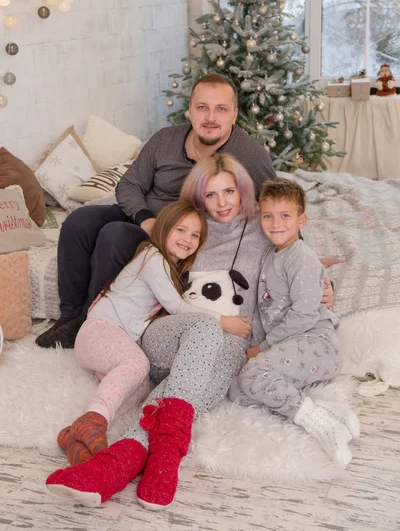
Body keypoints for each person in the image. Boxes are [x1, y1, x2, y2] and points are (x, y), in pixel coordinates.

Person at [45, 155, 334, 510]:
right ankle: (165, 453)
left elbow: (298, 259)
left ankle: (119, 465)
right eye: (211, 195)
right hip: (170, 334)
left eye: (229, 191)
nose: (223, 202)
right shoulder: (188, 231)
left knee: (207, 373)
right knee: (203, 326)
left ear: (243, 192)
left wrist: (324, 283)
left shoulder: (263, 231)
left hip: (229, 343)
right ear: (198, 199)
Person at [36, 73, 276, 349]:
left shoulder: (249, 153)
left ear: (234, 115)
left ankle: (92, 322)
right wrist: (145, 219)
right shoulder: (166, 139)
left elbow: (274, 200)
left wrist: (294, 248)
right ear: (190, 111)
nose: (211, 117)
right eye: (202, 108)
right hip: (144, 216)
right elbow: (128, 185)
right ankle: (69, 317)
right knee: (79, 221)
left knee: (113, 236)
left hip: (175, 233)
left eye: (220, 109)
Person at [57, 200, 242, 466]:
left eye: (195, 235)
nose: (188, 239)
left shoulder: (168, 267)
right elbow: (177, 307)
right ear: (164, 228)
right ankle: (94, 419)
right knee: (137, 363)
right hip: (99, 331)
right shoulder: (152, 257)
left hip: (112, 342)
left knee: (139, 388)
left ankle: (77, 433)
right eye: (181, 230)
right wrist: (224, 321)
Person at [229, 178, 360, 468]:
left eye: (285, 216)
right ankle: (325, 411)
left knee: (253, 374)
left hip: (317, 343)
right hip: (290, 348)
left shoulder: (301, 258)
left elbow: (303, 314)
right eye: (268, 215)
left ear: (302, 220)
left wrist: (261, 348)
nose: (276, 223)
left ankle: (324, 428)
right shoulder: (272, 255)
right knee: (237, 391)